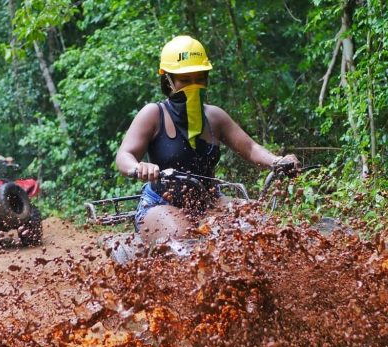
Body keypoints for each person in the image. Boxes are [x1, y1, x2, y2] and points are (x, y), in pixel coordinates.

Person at [115, 35, 299, 244]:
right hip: (160, 205)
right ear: (168, 80)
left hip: (210, 203)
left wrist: (277, 161)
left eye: (199, 79)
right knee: (183, 241)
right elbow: (124, 155)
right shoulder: (153, 114)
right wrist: (138, 167)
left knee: (258, 225)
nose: (193, 86)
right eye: (185, 80)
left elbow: (250, 148)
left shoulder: (215, 117)